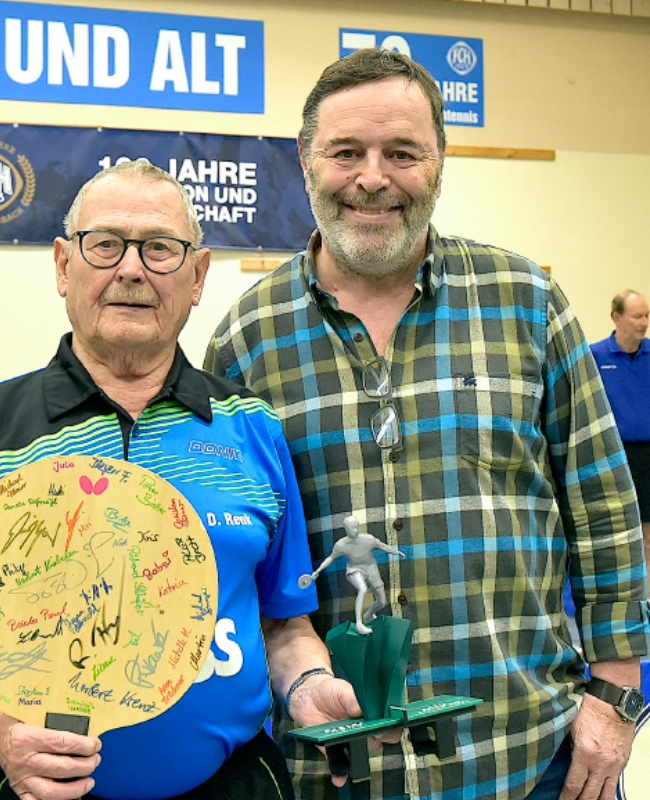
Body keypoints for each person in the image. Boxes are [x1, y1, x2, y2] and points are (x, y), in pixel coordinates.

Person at [206, 48, 650, 800]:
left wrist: (615, 699)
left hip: (526, 754)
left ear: (439, 162)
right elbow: (236, 560)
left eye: (402, 153)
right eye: (346, 152)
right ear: (306, 163)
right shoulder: (247, 339)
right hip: (337, 768)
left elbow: (603, 509)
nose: (373, 177)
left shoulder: (527, 302)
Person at [0, 159, 361, 800]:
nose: (132, 270)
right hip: (40, 786)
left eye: (160, 248)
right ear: (63, 265)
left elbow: (285, 627)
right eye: (106, 244)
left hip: (235, 784)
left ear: (198, 276)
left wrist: (307, 687)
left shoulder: (253, 427)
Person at [592, 290, 650, 565]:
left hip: (648, 456)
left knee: (648, 536)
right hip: (615, 456)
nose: (644, 322)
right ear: (617, 317)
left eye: (647, 316)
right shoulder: (595, 356)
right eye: (637, 316)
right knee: (618, 531)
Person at [305, 515, 405, 635]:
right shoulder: (341, 545)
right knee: (362, 589)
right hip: (354, 569)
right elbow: (331, 558)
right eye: (352, 528)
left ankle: (368, 615)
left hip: (370, 568)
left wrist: (396, 552)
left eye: (356, 527)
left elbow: (382, 546)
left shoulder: (368, 539)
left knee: (381, 601)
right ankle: (359, 623)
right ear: (346, 529)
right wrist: (318, 570)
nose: (355, 530)